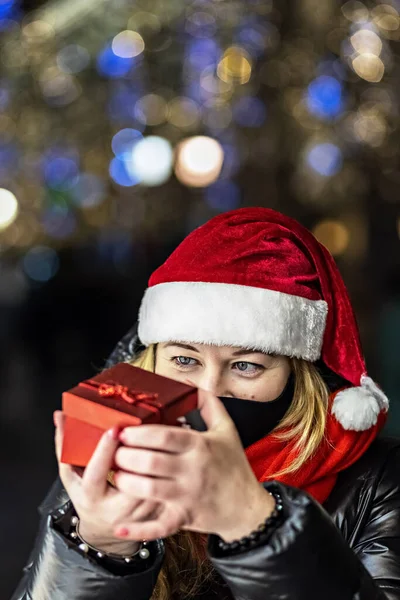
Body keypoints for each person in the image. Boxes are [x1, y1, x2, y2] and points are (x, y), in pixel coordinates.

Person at [12, 207, 400, 600]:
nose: (209, 389)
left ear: (296, 376)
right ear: (151, 362)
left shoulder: (376, 482)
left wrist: (256, 525)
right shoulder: (112, 459)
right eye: (184, 360)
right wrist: (100, 548)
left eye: (246, 365)